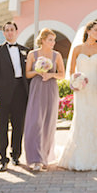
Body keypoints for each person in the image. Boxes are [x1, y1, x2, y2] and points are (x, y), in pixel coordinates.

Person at [59, 20, 97, 171]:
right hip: (82, 90)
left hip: (95, 87)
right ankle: (80, 155)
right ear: (87, 31)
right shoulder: (77, 48)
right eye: (95, 30)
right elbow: (72, 71)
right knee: (82, 118)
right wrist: (76, 82)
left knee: (96, 116)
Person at [0, 21, 30, 171]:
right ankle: (2, 158)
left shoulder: (25, 50)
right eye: (6, 30)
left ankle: (16, 155)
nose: (9, 32)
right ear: (4, 33)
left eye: (12, 30)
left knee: (19, 125)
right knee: (2, 127)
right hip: (2, 93)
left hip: (21, 92)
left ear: (16, 31)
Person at [24, 28, 65, 171]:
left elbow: (62, 74)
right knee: (35, 121)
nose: (53, 43)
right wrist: (37, 71)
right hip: (37, 87)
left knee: (48, 122)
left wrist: (51, 75)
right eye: (50, 40)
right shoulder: (32, 54)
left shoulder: (57, 55)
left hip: (51, 88)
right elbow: (27, 74)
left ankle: (45, 158)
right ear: (43, 40)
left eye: (54, 40)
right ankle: (35, 158)